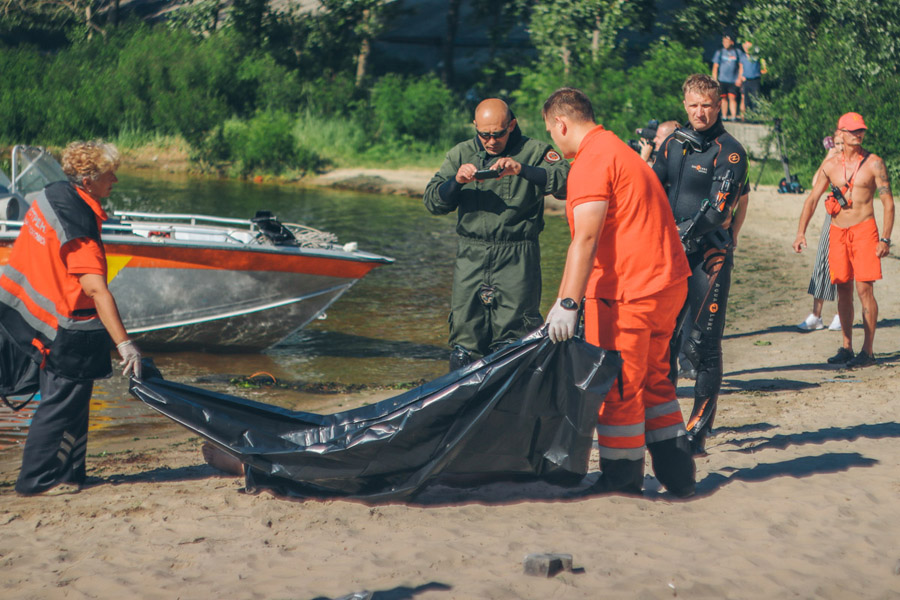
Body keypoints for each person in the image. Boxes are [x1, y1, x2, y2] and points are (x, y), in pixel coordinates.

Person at [542, 87, 695, 498]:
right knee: (657, 381)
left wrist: (568, 303)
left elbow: (586, 239)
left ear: (561, 124)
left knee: (620, 388)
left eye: (553, 134)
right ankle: (679, 474)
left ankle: (622, 478)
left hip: (630, 291)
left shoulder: (591, 161)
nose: (555, 142)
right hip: (667, 284)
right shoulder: (620, 151)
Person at [0, 141, 142, 496]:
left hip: (26, 317)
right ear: (89, 178)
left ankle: (70, 474)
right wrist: (126, 346)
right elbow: (96, 290)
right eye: (110, 173)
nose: (116, 179)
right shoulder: (79, 227)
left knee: (73, 403)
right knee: (62, 404)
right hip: (63, 328)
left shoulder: (52, 196)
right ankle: (36, 481)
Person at [424, 98, 570, 370]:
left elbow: (567, 182)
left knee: (514, 339)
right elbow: (432, 201)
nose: (491, 141)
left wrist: (522, 170)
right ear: (475, 127)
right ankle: (465, 406)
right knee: (465, 341)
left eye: (499, 134)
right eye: (484, 135)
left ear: (512, 125)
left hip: (518, 255)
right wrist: (456, 182)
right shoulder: (460, 153)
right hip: (471, 255)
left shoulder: (535, 151)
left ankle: (513, 406)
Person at [651, 73, 749, 455]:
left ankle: (697, 432)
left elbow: (718, 209)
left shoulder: (731, 151)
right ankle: (666, 422)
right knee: (664, 340)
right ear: (685, 104)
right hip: (670, 255)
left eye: (706, 105)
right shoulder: (674, 144)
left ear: (719, 104)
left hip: (709, 256)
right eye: (692, 105)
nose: (699, 113)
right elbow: (652, 186)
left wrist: (677, 235)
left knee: (701, 345)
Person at [793, 112, 894, 367]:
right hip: (838, 233)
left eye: (861, 130)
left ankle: (868, 351)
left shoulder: (875, 163)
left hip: (864, 230)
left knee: (864, 289)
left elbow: (888, 203)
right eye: (852, 131)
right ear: (840, 133)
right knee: (843, 289)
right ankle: (847, 346)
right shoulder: (831, 165)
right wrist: (800, 232)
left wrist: (885, 238)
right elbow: (813, 199)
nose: (858, 134)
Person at [797, 132, 843, 332]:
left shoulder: (858, 162)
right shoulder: (832, 162)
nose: (840, 146)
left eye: (843, 142)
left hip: (852, 218)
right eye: (837, 142)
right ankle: (816, 315)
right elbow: (816, 182)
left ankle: (842, 314)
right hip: (832, 217)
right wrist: (830, 154)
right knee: (822, 262)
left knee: (843, 268)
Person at [711, 32, 742, 121]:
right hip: (722, 80)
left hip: (733, 80)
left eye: (727, 41)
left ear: (732, 42)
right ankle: (724, 116)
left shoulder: (737, 52)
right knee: (723, 98)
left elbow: (741, 66)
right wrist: (715, 79)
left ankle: (733, 116)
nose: (725, 43)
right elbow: (715, 67)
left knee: (732, 97)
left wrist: (739, 78)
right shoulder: (720, 52)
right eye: (724, 41)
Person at [737, 40, 767, 120]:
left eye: (748, 47)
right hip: (746, 81)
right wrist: (740, 78)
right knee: (746, 100)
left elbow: (764, 67)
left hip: (755, 80)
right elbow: (741, 69)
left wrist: (762, 72)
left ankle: (755, 117)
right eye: (745, 46)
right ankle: (747, 116)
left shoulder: (757, 56)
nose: (746, 48)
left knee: (755, 98)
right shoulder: (743, 57)